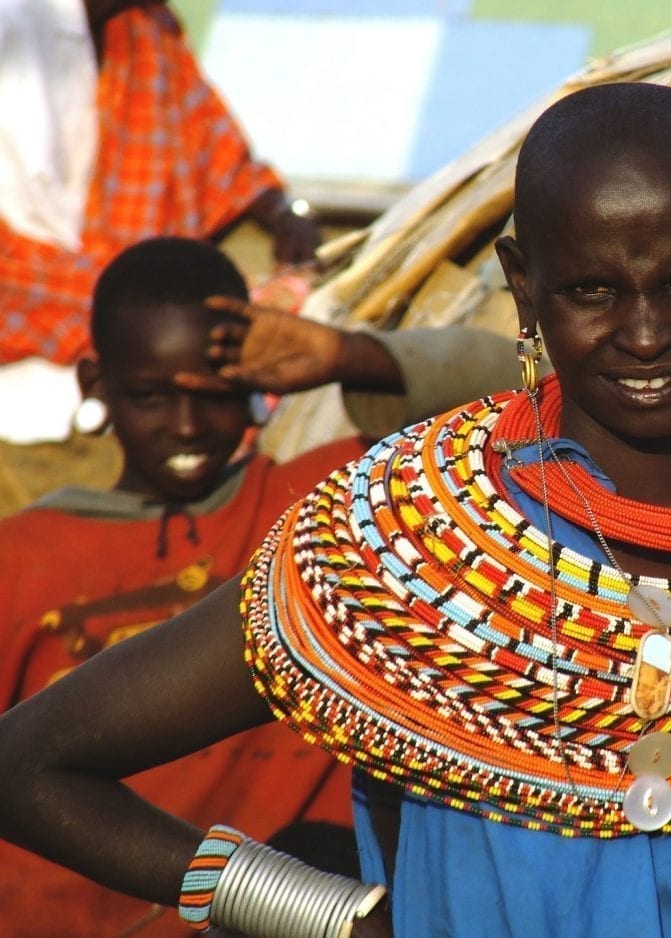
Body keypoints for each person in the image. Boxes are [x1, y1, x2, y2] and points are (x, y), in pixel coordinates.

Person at [0, 84, 671, 937]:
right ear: (524, 286)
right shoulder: (407, 544)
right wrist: (325, 917)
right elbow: (30, 766)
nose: (647, 333)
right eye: (591, 291)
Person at [0, 235, 521, 936]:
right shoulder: (25, 556)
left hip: (307, 916)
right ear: (95, 384)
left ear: (254, 389)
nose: (186, 426)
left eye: (216, 397)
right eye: (152, 397)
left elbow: (530, 398)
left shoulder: (319, 505)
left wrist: (348, 356)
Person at [0, 0, 320, 444]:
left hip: (133, 276)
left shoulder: (147, 29)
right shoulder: (14, 28)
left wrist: (285, 215)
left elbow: (213, 145)